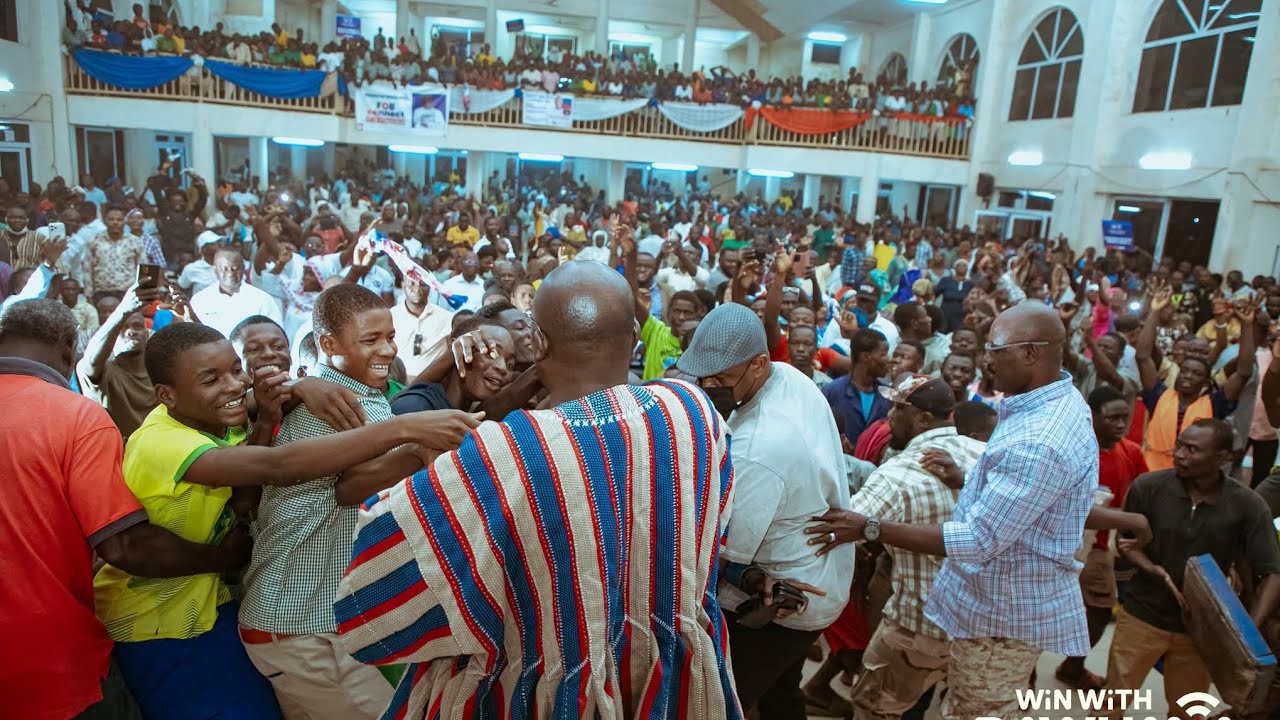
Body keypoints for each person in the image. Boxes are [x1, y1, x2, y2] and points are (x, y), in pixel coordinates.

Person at [335, 261, 741, 718]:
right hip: (669, 696)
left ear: (539, 342)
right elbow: (714, 533)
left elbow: (365, 609)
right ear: (635, 336)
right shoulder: (691, 414)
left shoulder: (502, 454)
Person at [92, 321, 479, 719]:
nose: (233, 386)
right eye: (212, 379)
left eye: (235, 369)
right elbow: (278, 466)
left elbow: (256, 422)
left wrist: (299, 388)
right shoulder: (163, 443)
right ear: (165, 395)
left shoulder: (208, 416)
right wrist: (403, 428)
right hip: (155, 621)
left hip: (211, 609)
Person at [804, 302, 1111, 720]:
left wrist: (871, 528)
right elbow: (1034, 500)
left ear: (1031, 353)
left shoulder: (1041, 439)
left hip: (999, 620)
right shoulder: (1052, 402)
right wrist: (970, 480)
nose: (986, 359)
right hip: (987, 608)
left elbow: (978, 539)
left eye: (995, 348)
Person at [239, 284, 482, 718]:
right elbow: (345, 488)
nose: (387, 349)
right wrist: (416, 446)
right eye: (370, 340)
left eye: (389, 336)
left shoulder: (361, 393)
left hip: (306, 622)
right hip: (296, 624)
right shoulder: (326, 406)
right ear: (329, 344)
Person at [1, 299, 231, 720]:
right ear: (71, 351)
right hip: (50, 662)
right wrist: (222, 557)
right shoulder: (73, 415)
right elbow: (124, 546)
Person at [677, 302, 854, 719]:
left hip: (786, 599)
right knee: (781, 693)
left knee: (718, 701)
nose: (707, 384)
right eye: (701, 374)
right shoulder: (789, 378)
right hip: (817, 577)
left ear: (758, 364)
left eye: (721, 377)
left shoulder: (760, 447)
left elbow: (724, 551)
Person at [806, 376, 986, 720]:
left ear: (922, 419)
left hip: (918, 626)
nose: (888, 416)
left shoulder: (898, 474)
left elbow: (834, 532)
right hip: (982, 625)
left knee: (875, 707)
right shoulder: (984, 454)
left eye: (897, 409)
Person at [1107, 419, 1280, 716]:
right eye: (1179, 445)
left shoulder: (1248, 505)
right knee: (1109, 705)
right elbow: (1126, 544)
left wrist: (1245, 632)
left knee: (1188, 712)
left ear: (1222, 458)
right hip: (1141, 618)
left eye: (1192, 449)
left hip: (1200, 633)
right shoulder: (1148, 487)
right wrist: (1150, 568)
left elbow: (1273, 573)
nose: (1180, 454)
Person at [1056, 384, 1149, 690]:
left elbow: (1143, 492)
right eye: (1112, 418)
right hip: (1058, 544)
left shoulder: (1130, 452)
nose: (1121, 424)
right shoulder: (1073, 449)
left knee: (1097, 614)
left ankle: (1072, 668)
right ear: (1092, 416)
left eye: (1125, 417)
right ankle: (1023, 676)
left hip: (1098, 550)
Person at [1136, 282, 1254, 471]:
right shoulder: (1159, 395)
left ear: (1205, 382)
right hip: (1150, 472)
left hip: (1191, 476)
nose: (1188, 376)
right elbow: (1142, 356)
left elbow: (1243, 373)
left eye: (1197, 373)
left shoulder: (1213, 404)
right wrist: (1155, 311)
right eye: (1185, 371)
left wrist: (1247, 325)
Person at [76, 286, 157, 438]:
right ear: (112, 338)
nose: (130, 332)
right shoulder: (104, 373)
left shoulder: (159, 374)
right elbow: (91, 360)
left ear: (147, 335)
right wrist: (123, 311)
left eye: (137, 326)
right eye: (123, 328)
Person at [190, 247, 283, 338]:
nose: (230, 273)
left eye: (235, 268)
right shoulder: (200, 300)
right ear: (215, 270)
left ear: (243, 268)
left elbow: (276, 335)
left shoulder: (262, 300)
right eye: (225, 269)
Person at [823, 329, 891, 449]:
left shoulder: (888, 394)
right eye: (883, 354)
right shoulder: (832, 391)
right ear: (865, 357)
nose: (888, 359)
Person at [391, 273, 454, 378]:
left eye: (422, 284)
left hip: (432, 384)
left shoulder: (446, 318)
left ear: (430, 287)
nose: (417, 288)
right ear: (403, 285)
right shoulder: (391, 316)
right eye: (412, 283)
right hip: (398, 384)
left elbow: (450, 351)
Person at [84, 206, 144, 302]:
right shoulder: (94, 241)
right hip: (101, 293)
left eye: (119, 220)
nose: (115, 222)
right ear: (104, 220)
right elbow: (87, 269)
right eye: (111, 219)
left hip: (128, 293)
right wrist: (89, 295)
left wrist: (141, 294)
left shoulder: (135, 242)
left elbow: (143, 269)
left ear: (125, 221)